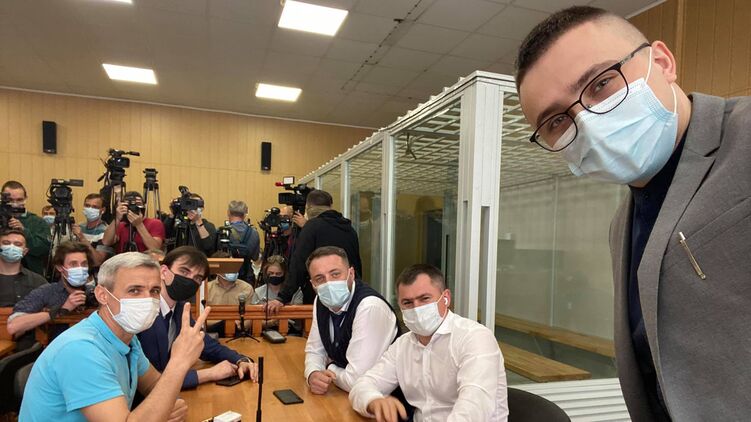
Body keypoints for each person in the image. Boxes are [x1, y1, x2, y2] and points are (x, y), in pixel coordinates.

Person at [515, 6, 751, 421]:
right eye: (556, 121)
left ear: (662, 61)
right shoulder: (621, 224)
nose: (587, 122)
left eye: (601, 83)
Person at [19, 252, 210, 421]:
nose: (147, 299)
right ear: (102, 295)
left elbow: (153, 384)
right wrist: (179, 363)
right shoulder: (81, 350)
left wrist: (171, 406)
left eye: (154, 291)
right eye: (134, 290)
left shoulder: (127, 339)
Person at [350, 264, 508, 421]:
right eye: (407, 303)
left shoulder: (474, 337)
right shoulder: (402, 345)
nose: (416, 308)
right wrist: (373, 400)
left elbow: (474, 408)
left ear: (446, 298)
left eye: (424, 299)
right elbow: (363, 384)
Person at [138, 246, 259, 389]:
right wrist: (208, 374)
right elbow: (151, 380)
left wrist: (241, 360)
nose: (189, 280)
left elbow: (206, 345)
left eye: (197, 278)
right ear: (164, 272)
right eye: (184, 271)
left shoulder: (181, 308)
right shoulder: (143, 313)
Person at [304, 246, 399, 394]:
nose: (328, 283)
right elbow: (315, 350)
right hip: (344, 395)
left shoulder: (369, 306)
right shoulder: (321, 300)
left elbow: (357, 381)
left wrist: (329, 366)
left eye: (335, 274)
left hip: (385, 401)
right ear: (313, 285)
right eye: (320, 278)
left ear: (351, 274)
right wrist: (313, 373)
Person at [267, 190, 362, 311]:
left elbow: (299, 263)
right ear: (331, 205)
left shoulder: (312, 227)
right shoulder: (349, 229)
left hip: (321, 294)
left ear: (308, 207)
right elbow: (356, 263)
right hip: (348, 293)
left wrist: (282, 297)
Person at [8, 240, 96, 350]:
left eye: (84, 264)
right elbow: (14, 326)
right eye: (73, 264)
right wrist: (61, 310)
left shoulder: (96, 293)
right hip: (55, 352)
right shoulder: (47, 291)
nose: (80, 269)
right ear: (60, 267)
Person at [0, 229, 47, 350]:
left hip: (27, 350)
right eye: (6, 243)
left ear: (25, 251)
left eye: (17, 244)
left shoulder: (38, 282)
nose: (11, 247)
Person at [2, 180, 51, 276]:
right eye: (10, 200)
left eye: (19, 200)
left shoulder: (38, 222)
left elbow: (43, 249)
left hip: (30, 276)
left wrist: (24, 231)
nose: (15, 203)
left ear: (25, 199)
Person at [205, 251, 253, 336]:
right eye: (228, 266)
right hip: (211, 333)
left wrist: (240, 326)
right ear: (216, 270)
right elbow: (201, 318)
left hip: (238, 333)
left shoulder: (246, 288)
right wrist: (225, 323)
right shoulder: (206, 289)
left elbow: (250, 317)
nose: (232, 269)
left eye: (234, 265)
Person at [70, 193, 114, 266]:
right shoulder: (79, 227)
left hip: (96, 271)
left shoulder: (106, 231)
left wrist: (82, 237)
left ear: (103, 210)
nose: (90, 209)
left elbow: (98, 261)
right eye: (87, 206)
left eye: (95, 207)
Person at [225, 200, 260, 284]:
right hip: (247, 276)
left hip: (227, 277)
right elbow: (255, 257)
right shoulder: (254, 232)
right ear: (245, 214)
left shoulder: (223, 232)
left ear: (228, 212)